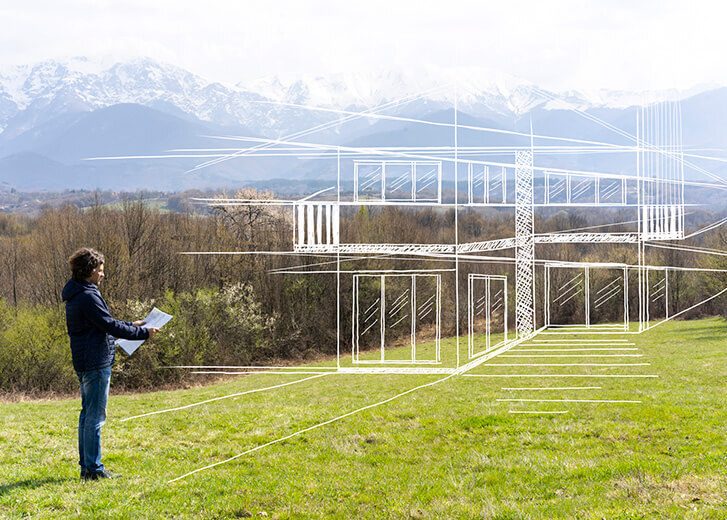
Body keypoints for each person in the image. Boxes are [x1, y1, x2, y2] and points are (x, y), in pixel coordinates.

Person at [62, 247, 159, 481]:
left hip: (86, 360)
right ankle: (93, 470)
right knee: (95, 417)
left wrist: (132, 324)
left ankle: (88, 466)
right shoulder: (87, 295)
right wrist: (142, 333)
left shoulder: (79, 293)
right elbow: (109, 326)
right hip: (95, 362)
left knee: (87, 416)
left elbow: (102, 324)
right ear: (89, 271)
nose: (102, 274)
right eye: (100, 269)